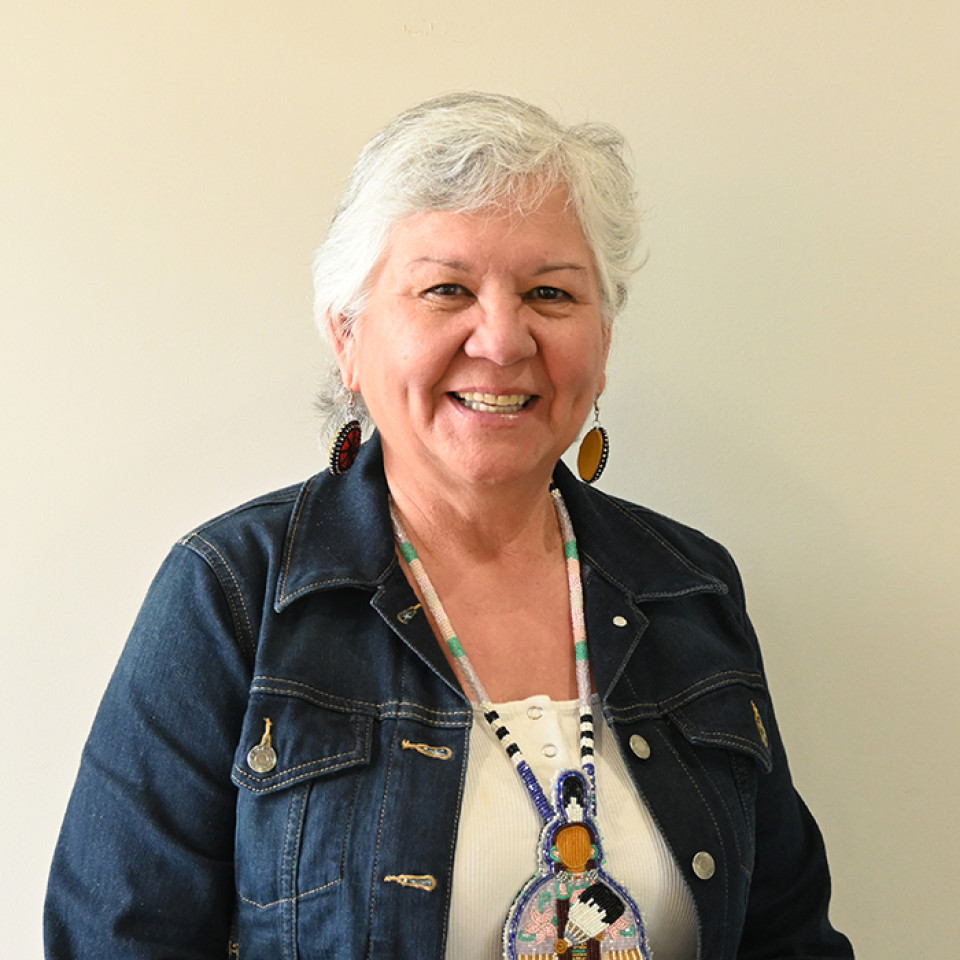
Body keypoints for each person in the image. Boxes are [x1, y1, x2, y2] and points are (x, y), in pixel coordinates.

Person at [45, 92, 853, 960]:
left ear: (605, 341)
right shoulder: (235, 590)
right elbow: (116, 941)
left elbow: (788, 933)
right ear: (348, 336)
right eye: (446, 289)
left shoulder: (691, 586)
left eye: (551, 292)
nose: (502, 341)